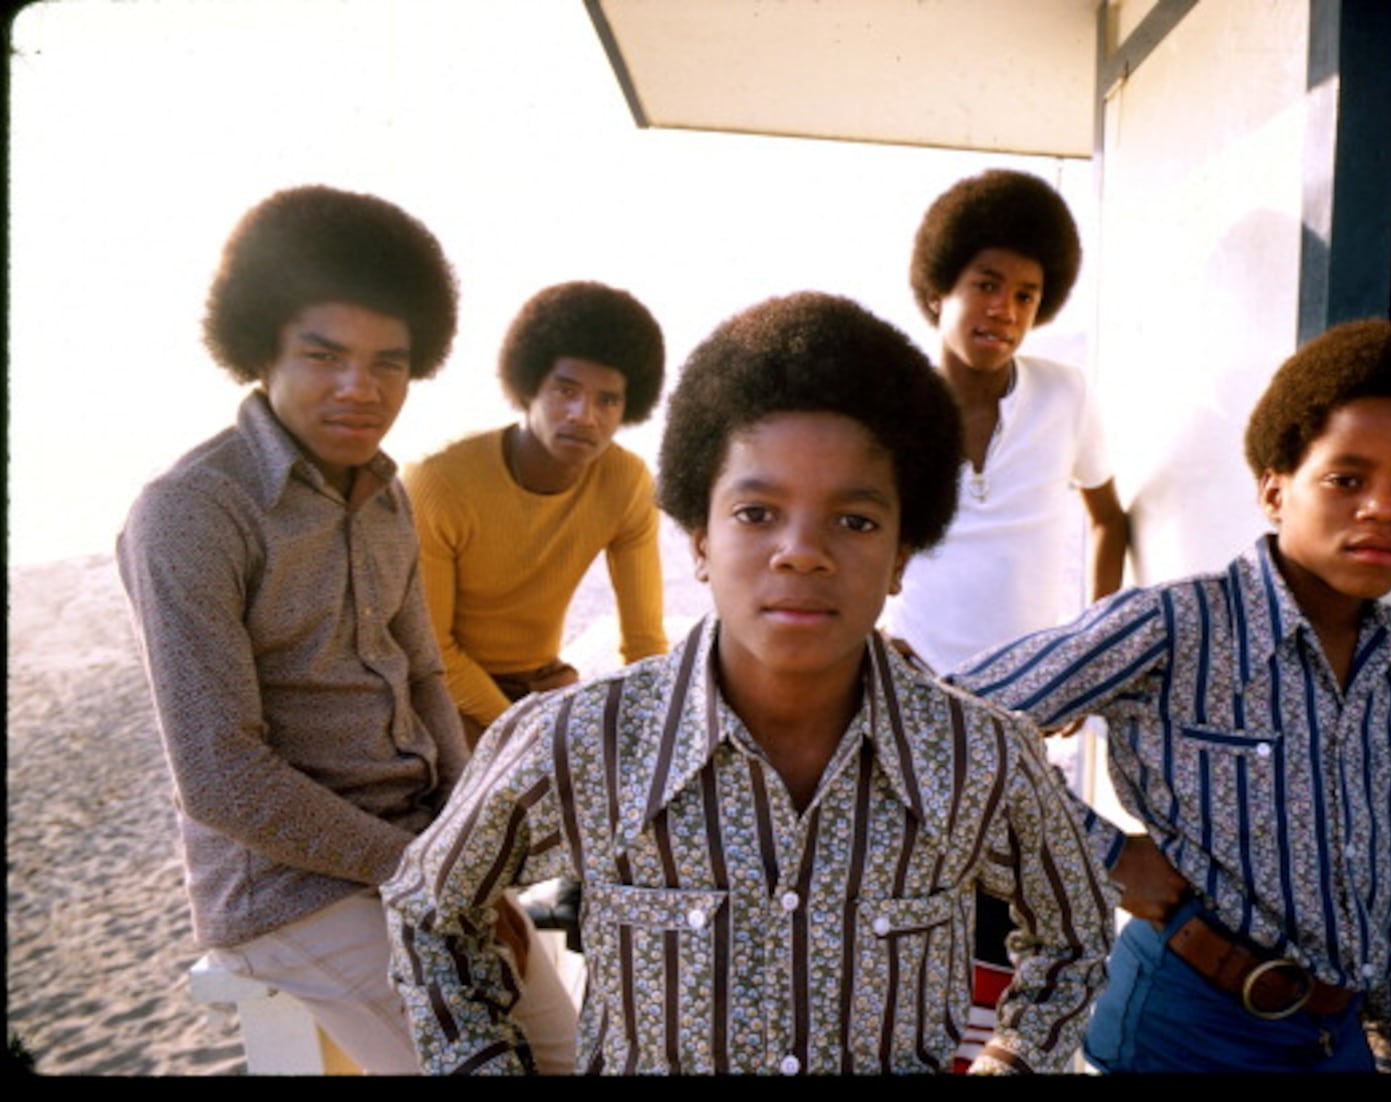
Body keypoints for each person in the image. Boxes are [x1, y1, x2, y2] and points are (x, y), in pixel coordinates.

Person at [382, 291, 1116, 1075]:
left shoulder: (978, 757)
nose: (802, 552)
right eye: (758, 512)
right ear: (700, 539)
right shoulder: (582, 743)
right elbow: (430, 910)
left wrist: (1011, 1062)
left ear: (904, 554)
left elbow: (1073, 936)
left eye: (856, 521)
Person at [117, 184, 575, 1075]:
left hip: (412, 856)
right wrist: (427, 873)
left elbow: (424, 679)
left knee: (580, 1055)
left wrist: (462, 856)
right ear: (260, 348)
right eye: (325, 356)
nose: (360, 390)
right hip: (286, 886)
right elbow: (219, 780)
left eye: (389, 364)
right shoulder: (189, 513)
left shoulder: (387, 494)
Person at [950, 318, 1391, 1072]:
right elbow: (940, 727)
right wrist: (1103, 856)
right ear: (1275, 488)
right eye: (1347, 479)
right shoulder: (1176, 626)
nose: (1384, 508)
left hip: (1336, 1037)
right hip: (1186, 1021)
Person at [878, 166, 1131, 1064]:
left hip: (1029, 722)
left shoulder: (1064, 396)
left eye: (1027, 293)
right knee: (907, 939)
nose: (1005, 310)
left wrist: (1090, 664)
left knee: (1016, 941)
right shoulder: (889, 401)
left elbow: (1109, 520)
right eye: (986, 284)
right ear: (939, 285)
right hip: (903, 714)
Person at [403, 281, 671, 948]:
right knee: (477, 843)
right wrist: (523, 731)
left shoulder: (627, 482)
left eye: (607, 399)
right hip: (443, 697)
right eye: (565, 390)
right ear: (527, 385)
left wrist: (660, 731)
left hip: (541, 679)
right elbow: (432, 649)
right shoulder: (438, 483)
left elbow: (644, 643)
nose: (585, 414)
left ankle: (583, 906)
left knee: (647, 756)